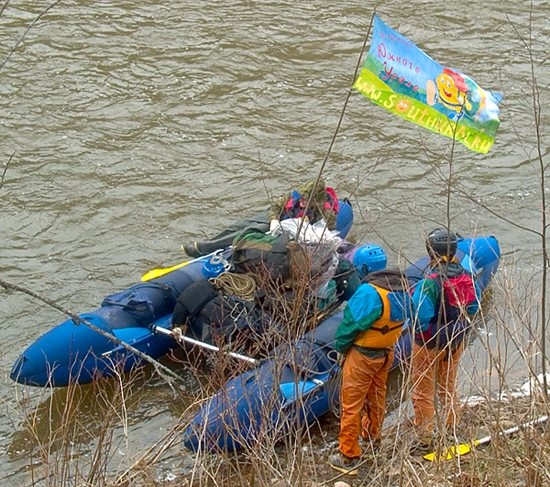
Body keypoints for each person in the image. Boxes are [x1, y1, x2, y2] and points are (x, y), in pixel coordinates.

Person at [328, 269, 412, 476]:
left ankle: (348, 455)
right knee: (376, 396)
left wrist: (340, 347)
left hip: (363, 356)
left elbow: (350, 324)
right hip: (386, 353)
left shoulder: (370, 293)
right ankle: (373, 437)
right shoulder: (403, 291)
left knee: (351, 404)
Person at [409, 228, 481, 452]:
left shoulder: (429, 283)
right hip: (455, 340)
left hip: (429, 343)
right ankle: (452, 428)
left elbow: (420, 317)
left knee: (422, 390)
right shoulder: (466, 277)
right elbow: (473, 307)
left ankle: (425, 438)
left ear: (431, 252)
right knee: (447, 385)